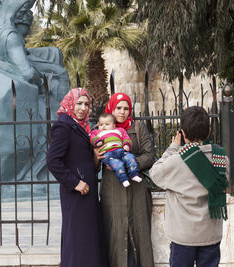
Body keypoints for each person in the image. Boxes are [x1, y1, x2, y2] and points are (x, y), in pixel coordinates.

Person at [149, 106, 229, 267]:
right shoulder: (221, 158)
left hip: (183, 236)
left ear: (183, 133)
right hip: (211, 234)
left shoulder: (176, 160)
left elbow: (155, 174)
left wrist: (173, 147)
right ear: (209, 131)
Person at [46, 88, 107, 267]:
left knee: (88, 239)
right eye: (79, 103)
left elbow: (88, 164)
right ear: (70, 103)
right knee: (77, 240)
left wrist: (96, 157)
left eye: (86, 104)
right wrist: (75, 183)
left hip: (87, 193)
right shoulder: (63, 126)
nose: (83, 108)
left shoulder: (83, 126)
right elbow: (53, 161)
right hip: (76, 194)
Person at [95, 92, 155, 267]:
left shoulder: (138, 126)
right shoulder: (101, 128)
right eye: (118, 108)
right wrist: (96, 157)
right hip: (112, 189)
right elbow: (94, 165)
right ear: (111, 109)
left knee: (141, 233)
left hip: (136, 188)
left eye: (126, 108)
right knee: (116, 236)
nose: (122, 112)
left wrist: (127, 164)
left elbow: (149, 155)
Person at [90, 113, 142, 187]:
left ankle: (134, 174)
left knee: (131, 157)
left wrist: (126, 144)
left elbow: (126, 137)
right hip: (108, 154)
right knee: (118, 164)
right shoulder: (96, 132)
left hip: (120, 151)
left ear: (114, 125)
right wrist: (97, 141)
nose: (103, 126)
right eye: (101, 124)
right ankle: (123, 179)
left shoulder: (119, 130)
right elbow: (92, 137)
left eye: (107, 124)